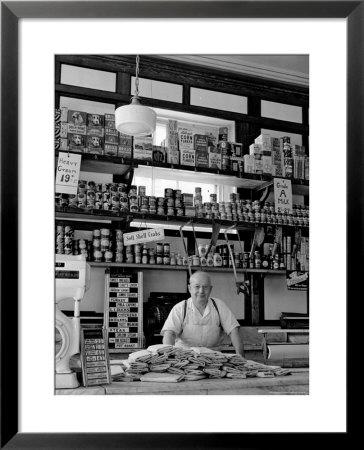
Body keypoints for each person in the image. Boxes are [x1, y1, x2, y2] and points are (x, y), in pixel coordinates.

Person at [161, 271, 245, 356]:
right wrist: (168, 359)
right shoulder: (180, 308)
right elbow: (169, 334)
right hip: (184, 360)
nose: (201, 291)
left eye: (205, 287)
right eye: (197, 287)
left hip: (214, 360)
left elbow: (233, 331)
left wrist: (241, 359)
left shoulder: (219, 306)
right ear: (190, 288)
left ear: (211, 289)